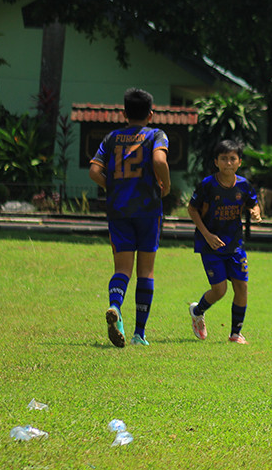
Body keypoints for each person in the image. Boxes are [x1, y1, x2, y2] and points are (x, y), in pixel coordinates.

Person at [89, 88, 170, 348]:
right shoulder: (156, 134)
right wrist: (165, 185)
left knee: (122, 269)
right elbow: (159, 160)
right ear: (151, 113)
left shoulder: (112, 137)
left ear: (124, 113)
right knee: (146, 270)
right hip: (147, 210)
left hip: (119, 210)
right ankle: (139, 334)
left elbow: (94, 171)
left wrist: (111, 187)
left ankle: (115, 305)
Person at [187, 139, 262, 344]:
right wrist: (207, 235)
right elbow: (192, 209)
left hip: (235, 245)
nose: (228, 163)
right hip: (211, 245)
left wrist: (255, 212)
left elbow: (254, 204)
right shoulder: (208, 185)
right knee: (220, 291)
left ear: (239, 162)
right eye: (224, 159)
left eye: (232, 159)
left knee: (242, 287)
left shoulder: (244, 185)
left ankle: (235, 334)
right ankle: (197, 311)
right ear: (216, 162)